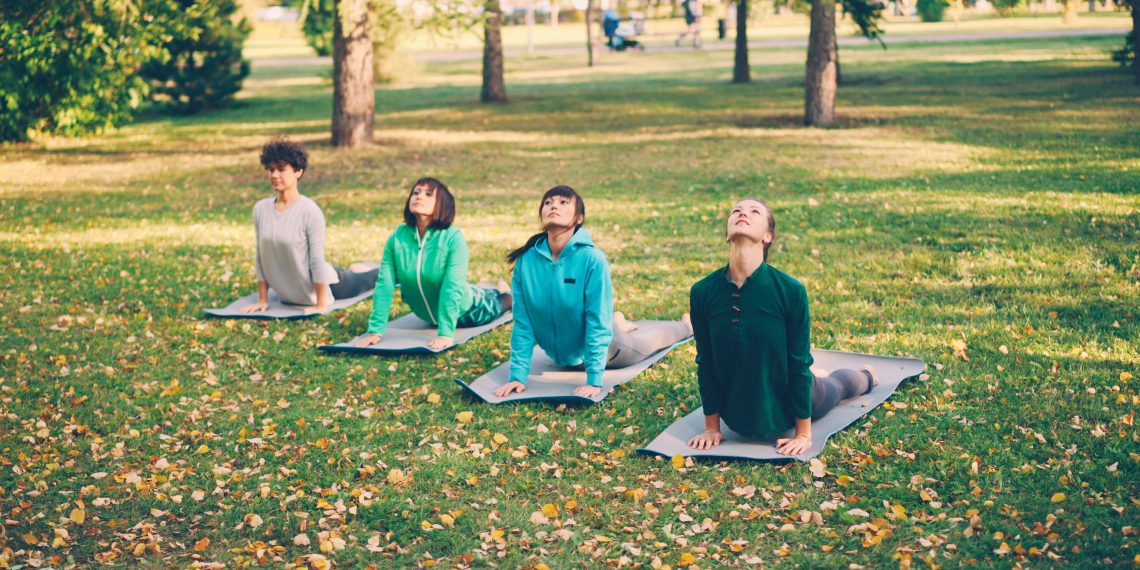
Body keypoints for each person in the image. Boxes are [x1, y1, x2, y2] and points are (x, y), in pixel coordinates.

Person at [687, 199, 878, 455]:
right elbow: (706, 362)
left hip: (790, 404)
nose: (743, 213)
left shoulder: (790, 291)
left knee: (837, 387)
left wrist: (802, 434)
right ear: (727, 234)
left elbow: (798, 364)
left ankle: (867, 376)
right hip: (739, 413)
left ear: (767, 235)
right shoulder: (702, 292)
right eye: (736, 211)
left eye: (754, 211)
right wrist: (712, 427)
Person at [492, 185, 692, 399]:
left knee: (649, 342)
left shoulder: (592, 259)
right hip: (564, 356)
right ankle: (618, 320)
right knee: (603, 321)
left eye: (563, 202)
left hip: (608, 352)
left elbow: (596, 320)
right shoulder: (526, 261)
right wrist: (517, 376)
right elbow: (523, 322)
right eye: (548, 203)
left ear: (579, 218)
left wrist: (594, 379)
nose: (553, 206)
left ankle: (686, 326)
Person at [354, 177, 512, 351]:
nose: (419, 197)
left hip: (468, 311)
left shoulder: (452, 238)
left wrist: (445, 333)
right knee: (484, 291)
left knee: (499, 303)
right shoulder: (397, 237)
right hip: (429, 316)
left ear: (442, 204)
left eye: (428, 194)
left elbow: (452, 287)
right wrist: (375, 331)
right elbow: (385, 283)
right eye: (416, 192)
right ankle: (497, 289)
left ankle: (508, 294)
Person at [240, 139, 378, 314]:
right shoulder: (261, 209)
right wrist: (262, 300)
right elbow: (261, 257)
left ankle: (382, 267)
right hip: (292, 290)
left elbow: (316, 260)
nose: (274, 175)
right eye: (270, 169)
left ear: (298, 171)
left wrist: (320, 305)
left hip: (332, 285)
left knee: (372, 278)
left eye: (281, 169)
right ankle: (360, 266)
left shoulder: (310, 211)